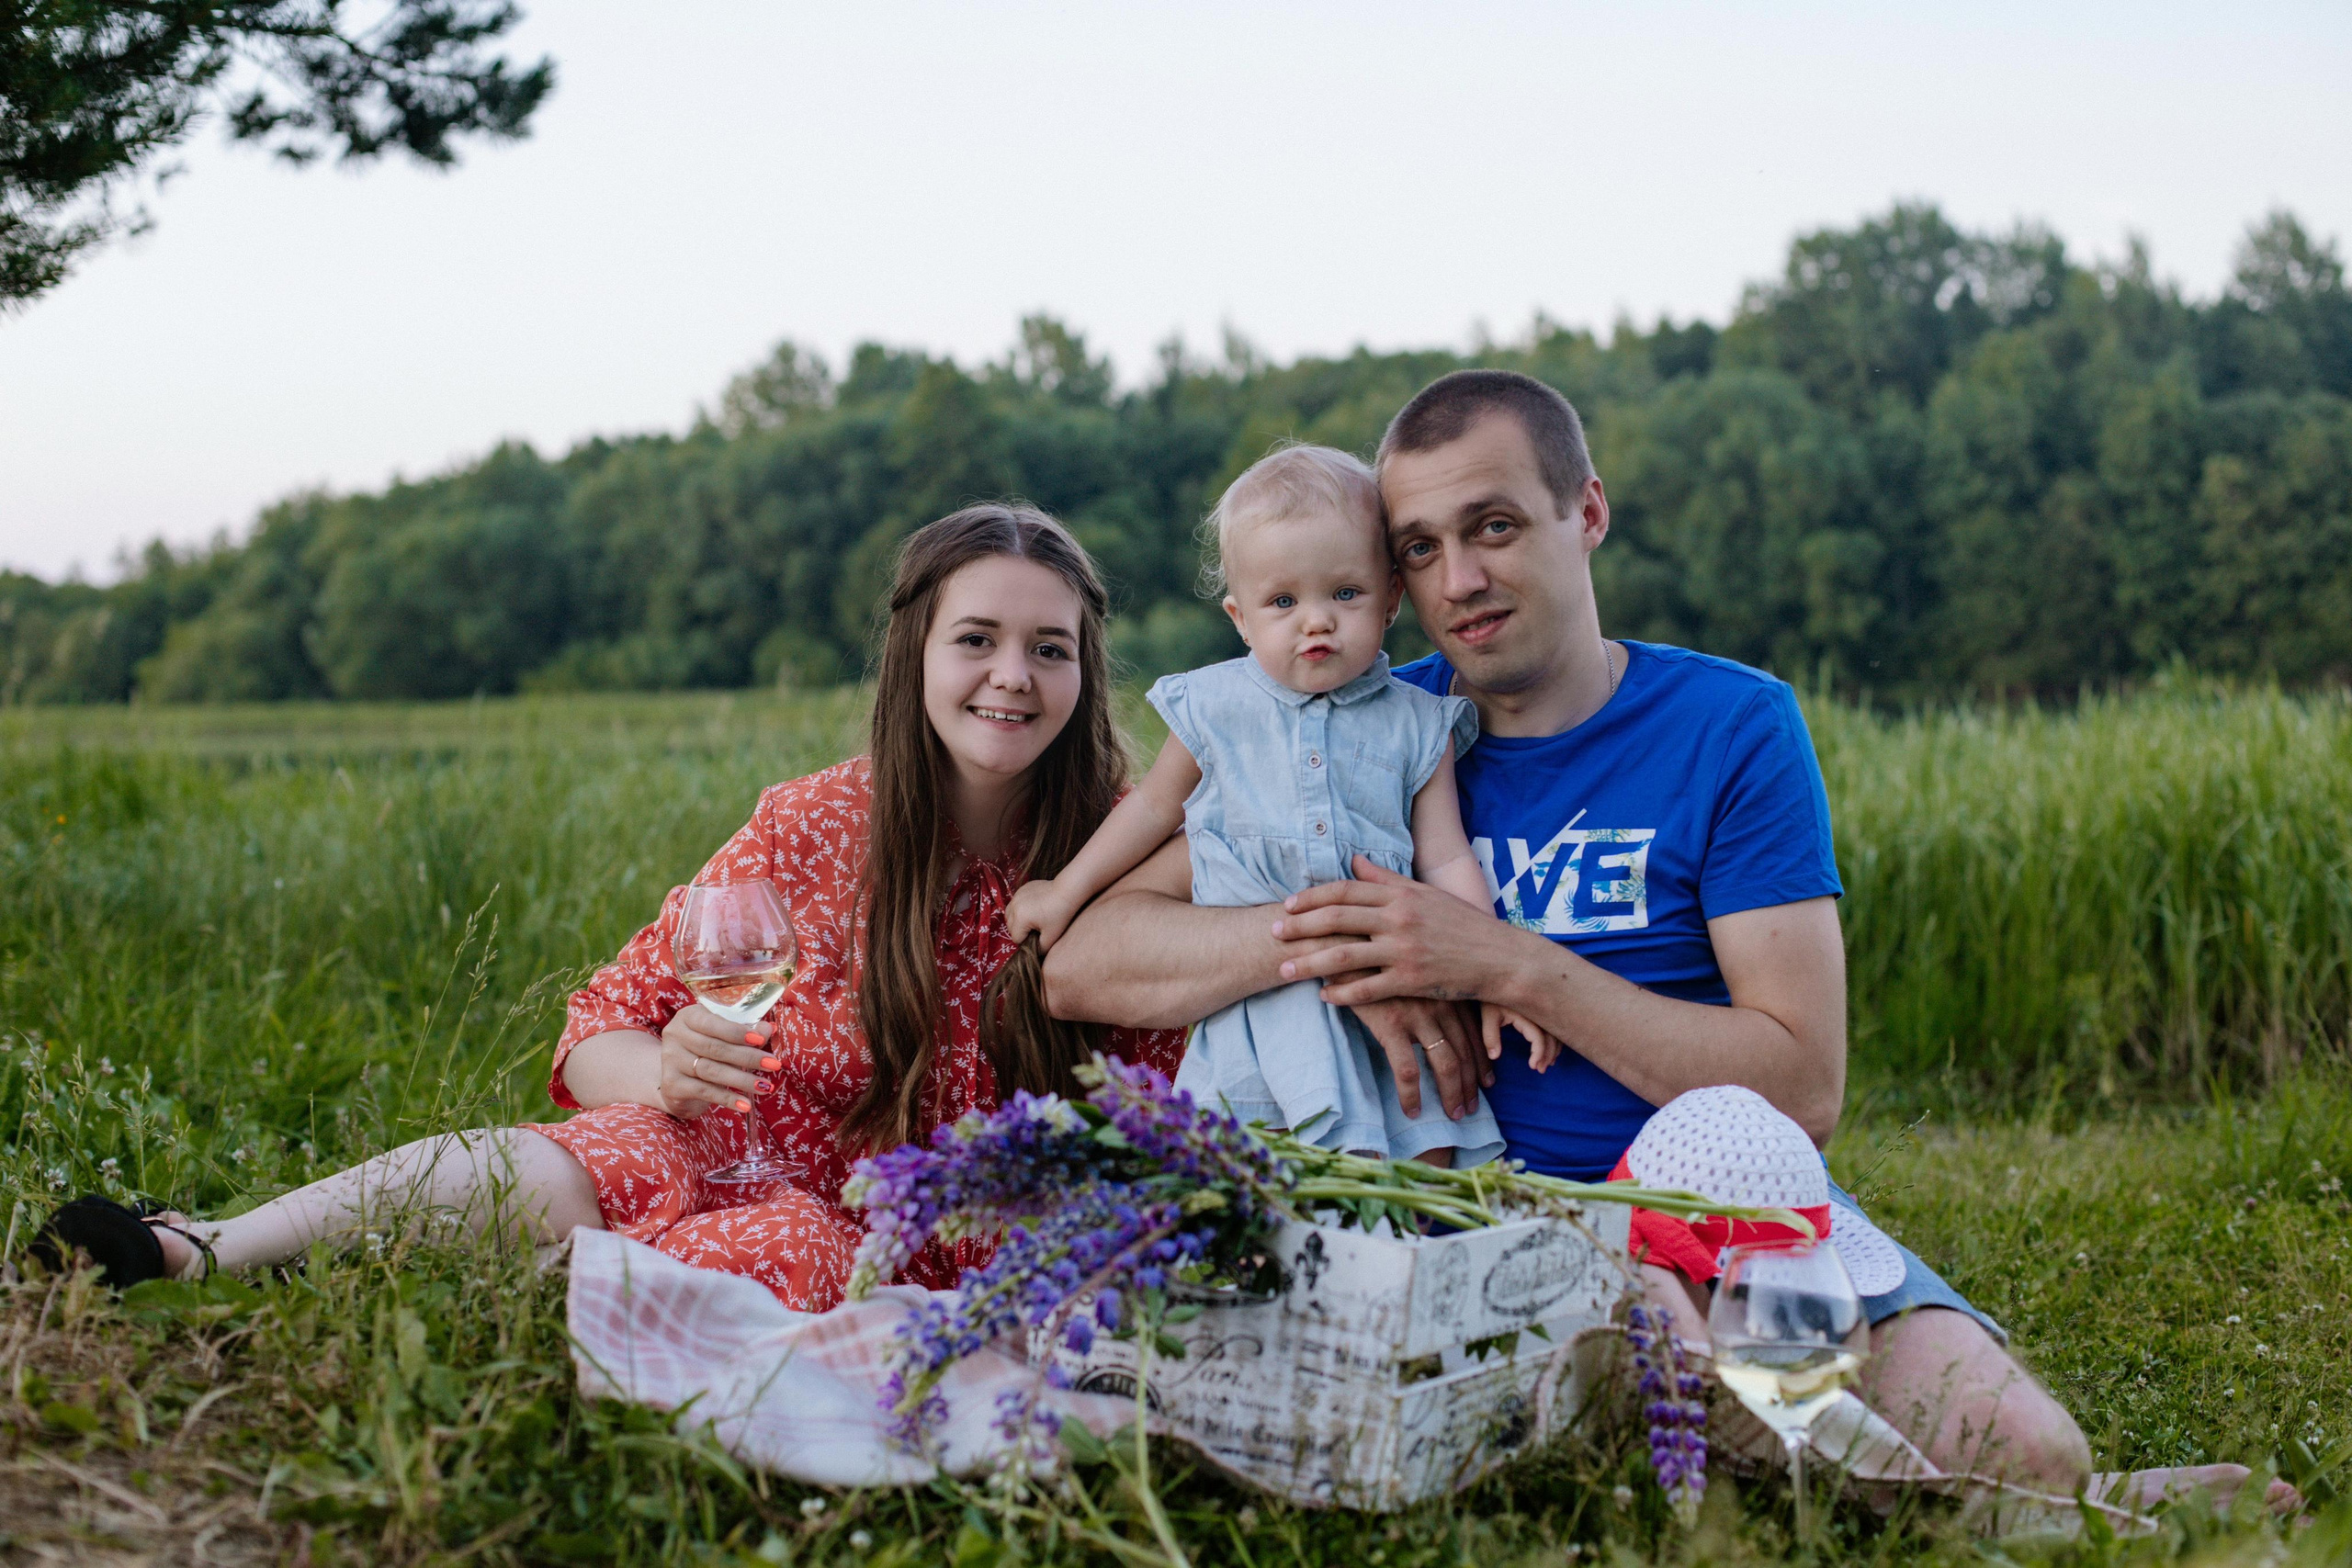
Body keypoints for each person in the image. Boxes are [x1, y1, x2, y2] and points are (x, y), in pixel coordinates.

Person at [1042, 369, 2101, 1492]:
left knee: (2030, 1455)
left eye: (1493, 526)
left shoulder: (1731, 726)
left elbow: (1800, 1087)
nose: (1460, 579)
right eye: (1417, 547)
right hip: (1476, 1227)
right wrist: (1348, 941)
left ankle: (1966, 1480)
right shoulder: (1359, 732)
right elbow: (1084, 960)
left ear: (1585, 512)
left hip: (1723, 1199)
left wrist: (1504, 962)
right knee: (1699, 1436)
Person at [30, 505, 1184, 1308]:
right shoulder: (815, 825)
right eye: (975, 639)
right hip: (750, 1166)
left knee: (797, 1257)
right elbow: (597, 1031)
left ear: (1086, 672)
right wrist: (669, 1076)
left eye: (1050, 648)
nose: (1013, 677)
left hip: (961, 1237)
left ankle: (553, 1295)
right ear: (915, 656)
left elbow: (1188, 1076)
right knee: (619, 1145)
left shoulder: (1133, 850)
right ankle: (197, 1249)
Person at [1006, 445, 1547, 1168]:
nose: (1315, 622)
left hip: (1392, 1015)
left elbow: (1445, 855)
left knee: (1417, 1163)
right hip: (1256, 1017)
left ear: (1391, 597)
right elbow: (1150, 811)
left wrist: (1496, 973)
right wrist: (1064, 889)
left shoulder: (1421, 723)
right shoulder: (1218, 709)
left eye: (1345, 594)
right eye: (1284, 602)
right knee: (1246, 1193)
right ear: (1240, 615)